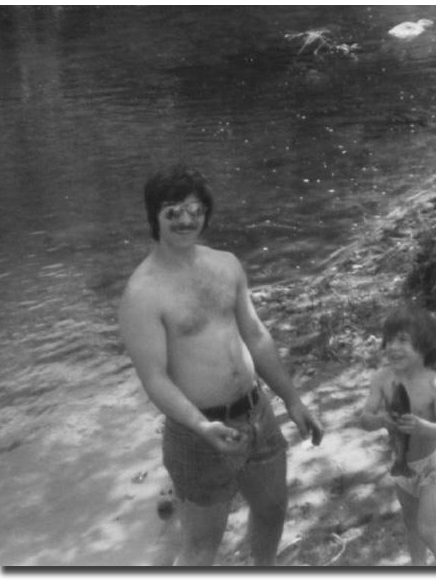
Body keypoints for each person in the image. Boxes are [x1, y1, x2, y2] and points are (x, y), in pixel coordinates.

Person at [119, 164, 323, 566]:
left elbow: (256, 335)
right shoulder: (141, 294)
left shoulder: (226, 264)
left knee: (272, 508)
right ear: (154, 217)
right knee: (200, 547)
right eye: (173, 211)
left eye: (195, 210)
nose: (186, 219)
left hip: (256, 413)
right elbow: (155, 378)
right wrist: (200, 425)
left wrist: (293, 401)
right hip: (198, 436)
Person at [360, 305, 436, 566]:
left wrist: (422, 427)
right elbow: (364, 418)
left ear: (425, 346)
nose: (393, 346)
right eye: (390, 340)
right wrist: (381, 420)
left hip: (431, 468)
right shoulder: (381, 379)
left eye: (403, 340)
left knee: (428, 531)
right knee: (412, 528)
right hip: (402, 467)